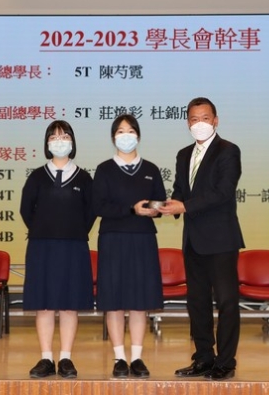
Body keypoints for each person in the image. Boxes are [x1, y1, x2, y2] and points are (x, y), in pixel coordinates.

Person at [159, 97, 244, 381]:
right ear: (188, 123)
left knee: (227, 302)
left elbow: (223, 192)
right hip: (193, 240)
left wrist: (185, 206)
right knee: (197, 303)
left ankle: (226, 362)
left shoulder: (228, 151)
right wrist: (169, 205)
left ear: (215, 120)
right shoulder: (184, 155)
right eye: (194, 119)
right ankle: (204, 358)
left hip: (221, 240)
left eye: (205, 118)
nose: (200, 124)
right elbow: (180, 190)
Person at [20, 120, 96, 379]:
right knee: (44, 305)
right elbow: (26, 210)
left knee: (69, 305)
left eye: (64, 136)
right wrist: (44, 230)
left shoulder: (84, 178)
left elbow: (90, 213)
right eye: (54, 137)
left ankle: (65, 358)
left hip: (74, 247)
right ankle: (46, 358)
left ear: (72, 142)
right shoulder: (37, 177)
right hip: (42, 247)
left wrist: (73, 231)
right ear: (47, 143)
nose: (59, 141)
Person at [92, 114, 166, 378]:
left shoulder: (151, 169)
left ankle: (137, 357)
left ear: (139, 135)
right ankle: (119, 358)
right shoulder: (104, 169)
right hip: (113, 239)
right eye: (121, 131)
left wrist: (156, 209)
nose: (126, 136)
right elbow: (98, 205)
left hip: (143, 238)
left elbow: (160, 201)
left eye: (131, 131)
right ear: (113, 137)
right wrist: (131, 209)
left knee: (139, 301)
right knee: (114, 301)